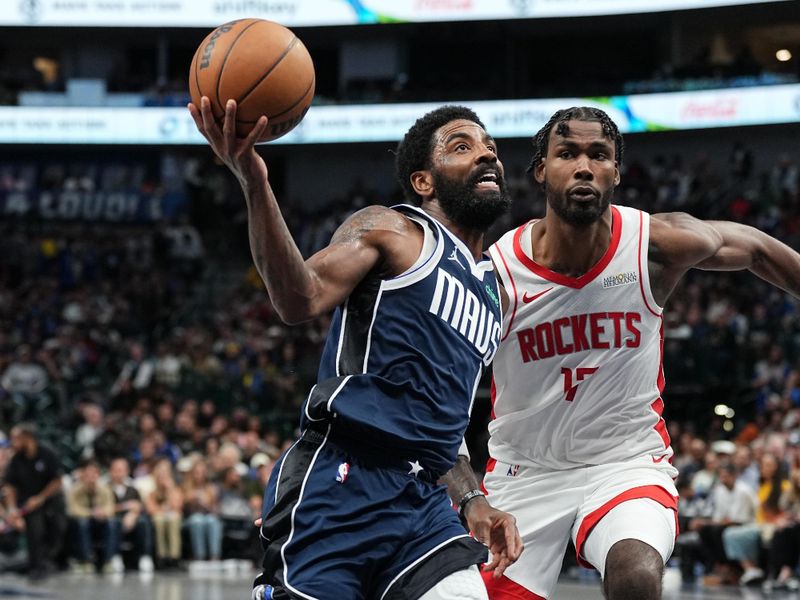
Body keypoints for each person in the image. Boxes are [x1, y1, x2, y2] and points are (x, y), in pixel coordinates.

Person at [444, 106, 800, 600]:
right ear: (542, 169)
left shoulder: (652, 246)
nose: (584, 166)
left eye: (599, 154)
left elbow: (757, 248)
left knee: (635, 573)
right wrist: (469, 499)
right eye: (567, 153)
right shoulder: (497, 274)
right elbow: (439, 400)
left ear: (616, 171)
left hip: (625, 462)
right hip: (525, 473)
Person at [188, 97, 522, 600]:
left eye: (490, 147)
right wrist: (255, 181)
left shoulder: (491, 292)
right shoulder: (393, 230)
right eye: (462, 146)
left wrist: (473, 498)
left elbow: (441, 422)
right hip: (343, 479)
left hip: (423, 503)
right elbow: (298, 298)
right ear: (423, 181)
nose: (486, 155)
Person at [2, 422, 67, 578]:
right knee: (35, 529)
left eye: (16, 438)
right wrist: (11, 509)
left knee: (58, 527)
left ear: (27, 438)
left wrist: (41, 497)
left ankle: (52, 561)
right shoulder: (16, 459)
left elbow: (57, 480)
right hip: (27, 503)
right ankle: (35, 566)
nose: (12, 442)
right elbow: (10, 486)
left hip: (48, 499)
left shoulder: (47, 453)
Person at [66, 459, 120, 574]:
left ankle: (108, 561)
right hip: (82, 522)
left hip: (100, 521)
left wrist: (103, 513)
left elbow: (110, 508)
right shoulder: (75, 490)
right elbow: (72, 509)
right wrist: (91, 513)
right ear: (83, 474)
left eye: (94, 473)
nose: (91, 476)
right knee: (82, 523)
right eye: (88, 473)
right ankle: (86, 561)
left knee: (112, 522)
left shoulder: (105, 489)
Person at [108, 456, 154, 573]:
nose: (119, 473)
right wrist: (125, 506)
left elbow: (139, 505)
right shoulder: (106, 488)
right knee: (114, 523)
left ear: (127, 471)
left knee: (143, 522)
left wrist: (133, 514)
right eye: (116, 470)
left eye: (122, 470)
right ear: (111, 471)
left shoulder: (132, 489)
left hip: (132, 519)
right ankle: (115, 556)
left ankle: (144, 556)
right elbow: (104, 508)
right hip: (113, 518)